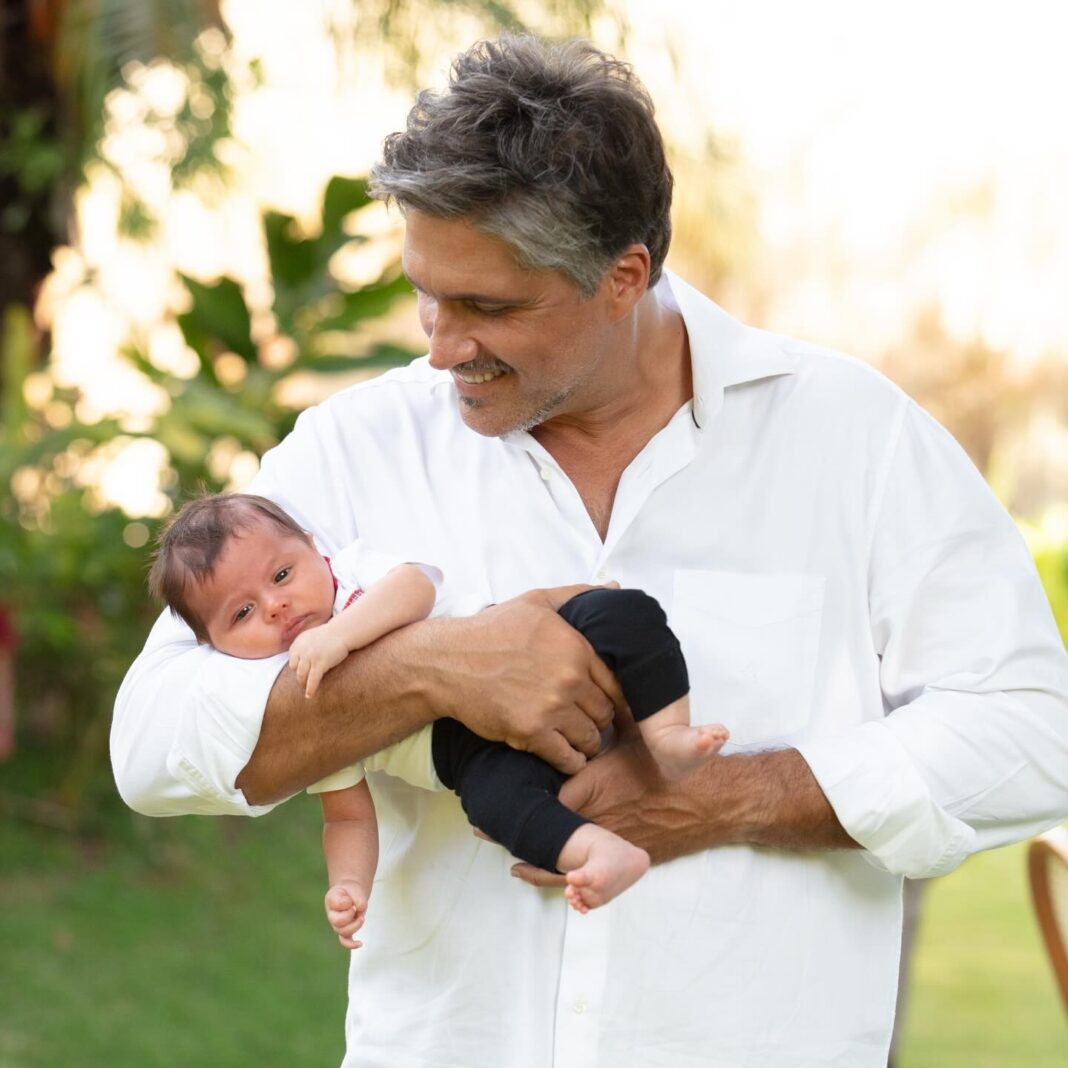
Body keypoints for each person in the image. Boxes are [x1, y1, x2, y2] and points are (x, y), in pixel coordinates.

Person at [112, 35, 1068, 1067]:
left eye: (488, 307)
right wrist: (433, 664)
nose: (440, 348)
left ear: (625, 276)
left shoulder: (856, 440)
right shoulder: (360, 445)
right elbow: (152, 743)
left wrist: (718, 801)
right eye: (428, 294)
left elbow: (1031, 735)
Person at [148, 492, 726, 928]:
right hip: (469, 753)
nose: (276, 605)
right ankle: (599, 851)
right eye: (242, 614)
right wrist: (348, 886)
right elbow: (347, 816)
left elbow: (416, 589)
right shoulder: (294, 696)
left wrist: (342, 636)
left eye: (282, 575)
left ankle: (668, 735)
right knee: (498, 808)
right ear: (214, 649)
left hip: (532, 647)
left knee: (620, 611)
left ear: (314, 553)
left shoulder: (352, 575)